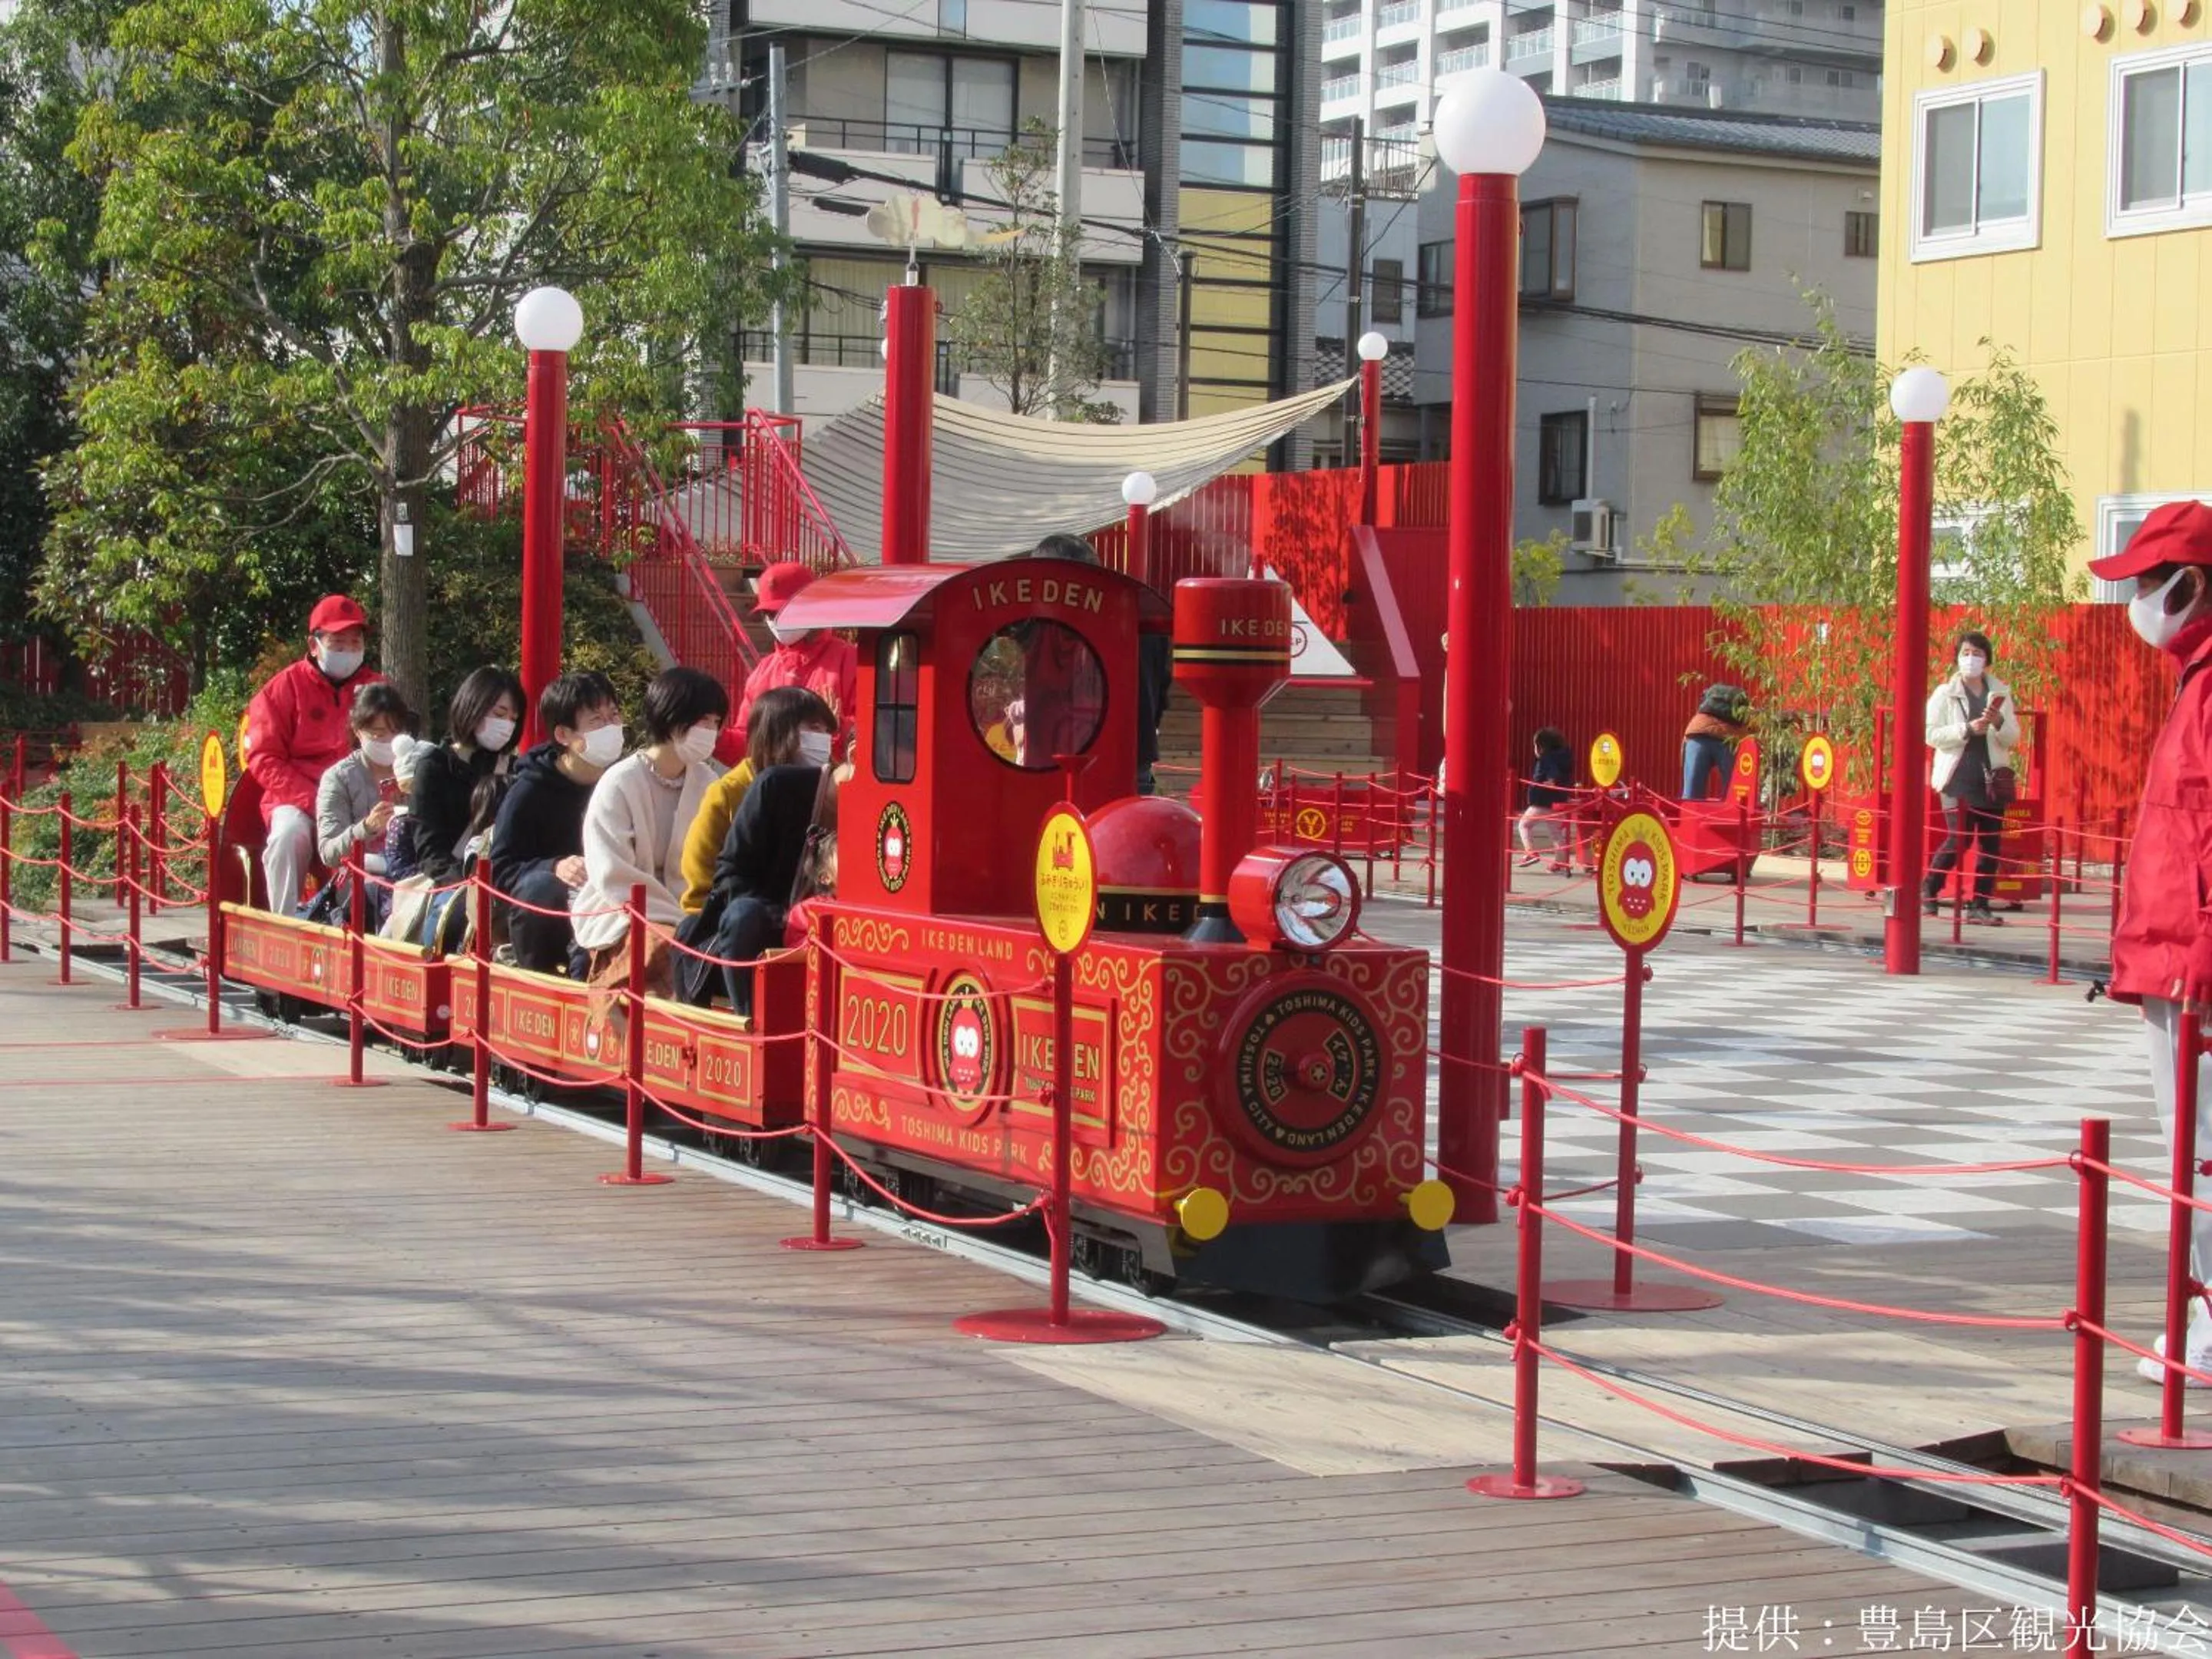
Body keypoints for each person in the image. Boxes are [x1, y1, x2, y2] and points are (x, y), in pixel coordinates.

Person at [2088, 501, 2212, 1384]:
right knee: (2192, 1151)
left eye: (2145, 582)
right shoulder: (2195, 679)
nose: (2135, 600)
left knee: (2201, 1153)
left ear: (2192, 583)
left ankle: (2208, 1328)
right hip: (2173, 958)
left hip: (2193, 966)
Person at [571, 665, 729, 998]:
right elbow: (613, 872)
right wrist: (676, 918)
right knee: (663, 947)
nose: (712, 732)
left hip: (691, 911)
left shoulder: (707, 783)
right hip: (622, 909)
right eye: (704, 722)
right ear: (673, 720)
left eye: (716, 724)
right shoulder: (620, 782)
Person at [244, 594, 383, 910]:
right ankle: (285, 923)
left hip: (361, 798)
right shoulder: (282, 688)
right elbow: (264, 758)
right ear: (313, 645)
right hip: (297, 799)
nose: (348, 650)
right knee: (288, 838)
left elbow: (394, 743)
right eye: (338, 643)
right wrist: (316, 800)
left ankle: (372, 927)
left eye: (354, 642)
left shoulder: (378, 689)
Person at [488, 671, 624, 975]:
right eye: (597, 722)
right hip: (549, 909)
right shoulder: (530, 790)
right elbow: (501, 867)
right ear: (564, 735)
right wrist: (553, 866)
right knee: (541, 887)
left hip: (608, 900)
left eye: (614, 716)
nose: (612, 728)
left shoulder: (623, 781)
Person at [679, 761, 837, 1018]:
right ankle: (752, 1020)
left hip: (826, 929)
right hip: (765, 927)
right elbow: (724, 872)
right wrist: (782, 917)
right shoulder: (774, 785)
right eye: (812, 729)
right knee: (742, 915)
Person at [679, 685, 836, 914]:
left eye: (826, 731)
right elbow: (700, 879)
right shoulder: (728, 792)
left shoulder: (827, 791)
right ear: (779, 732)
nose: (824, 740)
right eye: (814, 728)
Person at [1922, 629, 2022, 926]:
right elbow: (1930, 734)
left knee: (1991, 843)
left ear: (1987, 659)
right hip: (1958, 775)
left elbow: (2012, 737)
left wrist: (1998, 721)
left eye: (1977, 654)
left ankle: (1980, 904)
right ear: (1957, 658)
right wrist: (1966, 729)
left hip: (1991, 776)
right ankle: (1929, 889)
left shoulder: (2000, 693)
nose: (1971, 659)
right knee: (1960, 838)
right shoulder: (1945, 693)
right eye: (1966, 653)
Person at [721, 561, 858, 765]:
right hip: (777, 790)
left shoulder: (851, 660)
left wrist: (839, 725)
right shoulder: (762, 672)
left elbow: (881, 732)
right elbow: (748, 745)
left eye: (784, 611)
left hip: (833, 789)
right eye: (769, 614)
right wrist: (713, 737)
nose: (776, 621)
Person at [408, 667, 525, 888]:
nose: (506, 725)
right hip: (451, 884)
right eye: (499, 715)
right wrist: (463, 880)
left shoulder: (514, 768)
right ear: (473, 706)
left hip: (504, 881)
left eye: (513, 719)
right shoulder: (434, 766)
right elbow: (430, 850)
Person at [312, 683, 417, 926]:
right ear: (358, 732)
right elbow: (328, 852)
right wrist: (366, 828)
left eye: (395, 732)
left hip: (412, 874)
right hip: (360, 883)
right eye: (378, 735)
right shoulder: (339, 777)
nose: (388, 741)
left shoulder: (416, 769)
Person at [1682, 684, 1752, 802]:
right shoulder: (1745, 714)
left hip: (1696, 734)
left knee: (1691, 793)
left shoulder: (1703, 714)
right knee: (1733, 790)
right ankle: (1730, 816)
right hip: (1727, 738)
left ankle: (1689, 818)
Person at [1518, 727, 1575, 871]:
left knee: (1524, 825)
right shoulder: (1564, 758)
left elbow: (1552, 773)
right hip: (1558, 801)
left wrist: (1551, 780)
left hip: (1542, 800)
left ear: (1541, 747)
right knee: (1556, 832)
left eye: (1535, 745)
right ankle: (1560, 862)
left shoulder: (1546, 759)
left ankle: (1531, 852)